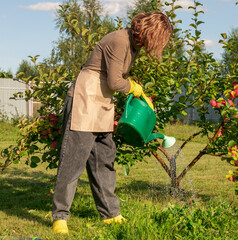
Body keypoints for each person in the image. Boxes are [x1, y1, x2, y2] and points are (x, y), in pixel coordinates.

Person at [52, 12, 173, 234]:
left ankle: (110, 214)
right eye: (158, 39)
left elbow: (115, 80)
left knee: (103, 160)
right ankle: (60, 217)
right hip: (85, 100)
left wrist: (136, 90)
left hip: (102, 102)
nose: (157, 45)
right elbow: (116, 81)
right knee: (73, 162)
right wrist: (134, 87)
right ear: (150, 31)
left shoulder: (133, 45)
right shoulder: (120, 40)